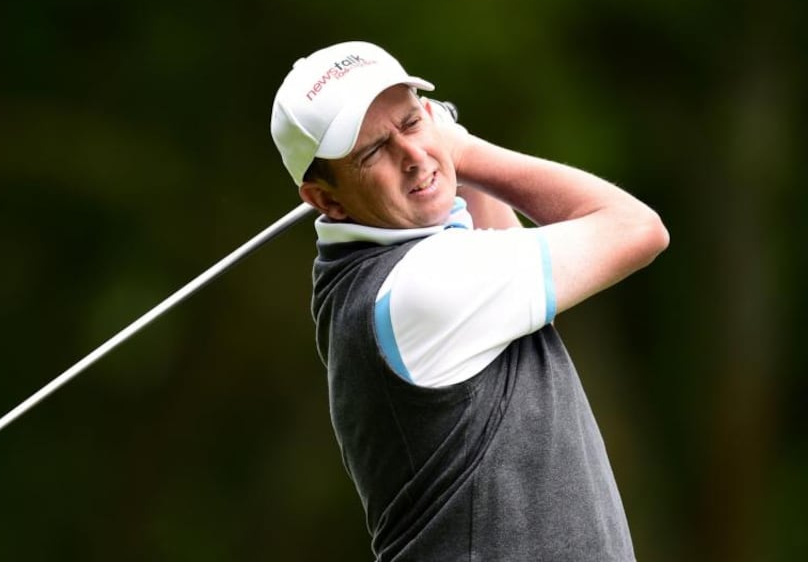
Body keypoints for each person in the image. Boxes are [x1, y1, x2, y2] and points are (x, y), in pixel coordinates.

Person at [269, 41, 669, 561]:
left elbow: (490, 236)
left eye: (411, 123)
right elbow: (637, 229)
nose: (412, 158)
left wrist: (443, 151)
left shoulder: (383, 278)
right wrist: (460, 148)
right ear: (327, 199)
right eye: (373, 152)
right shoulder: (423, 289)